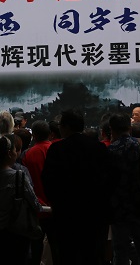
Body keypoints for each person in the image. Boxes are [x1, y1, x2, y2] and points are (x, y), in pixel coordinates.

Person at [42, 109, 109, 265]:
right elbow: (107, 179)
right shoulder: (98, 148)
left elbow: (48, 180)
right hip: (94, 213)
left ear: (66, 127)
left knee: (68, 254)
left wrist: (56, 203)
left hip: (65, 213)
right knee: (92, 255)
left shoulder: (57, 149)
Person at [0, 134, 42, 265]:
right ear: (9, 153)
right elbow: (35, 204)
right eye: (15, 150)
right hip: (18, 231)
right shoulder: (19, 176)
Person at [107, 112, 140, 265]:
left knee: (120, 250)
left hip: (118, 208)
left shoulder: (110, 150)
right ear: (129, 128)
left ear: (111, 129)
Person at [21, 120, 55, 265]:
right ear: (50, 134)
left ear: (33, 136)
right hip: (56, 206)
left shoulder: (28, 154)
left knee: (36, 247)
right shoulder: (56, 150)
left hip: (37, 208)